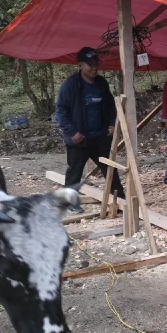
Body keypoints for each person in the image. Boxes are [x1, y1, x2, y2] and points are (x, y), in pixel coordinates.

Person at [56, 47, 125, 213]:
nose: (94, 68)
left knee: (110, 169)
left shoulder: (101, 83)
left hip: (99, 136)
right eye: (90, 65)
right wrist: (72, 132)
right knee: (75, 171)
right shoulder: (71, 85)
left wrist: (110, 124)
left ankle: (120, 200)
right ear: (80, 65)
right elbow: (61, 111)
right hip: (79, 138)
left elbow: (110, 106)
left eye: (96, 64)